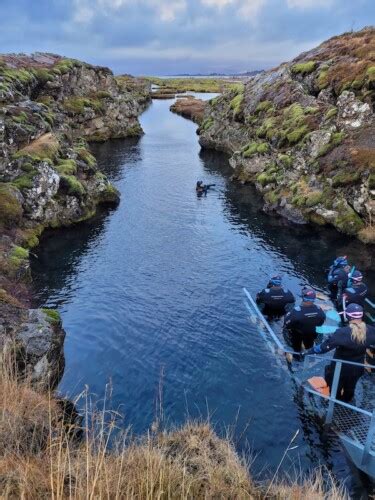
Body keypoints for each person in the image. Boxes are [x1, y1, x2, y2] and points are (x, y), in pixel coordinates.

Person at [304, 303, 375, 402]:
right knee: (350, 388)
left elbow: (323, 348)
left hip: (339, 369)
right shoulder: (371, 330)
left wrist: (308, 352)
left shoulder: (342, 332)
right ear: (361, 315)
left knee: (334, 389)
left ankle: (334, 403)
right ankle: (347, 402)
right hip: (357, 368)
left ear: (347, 316)